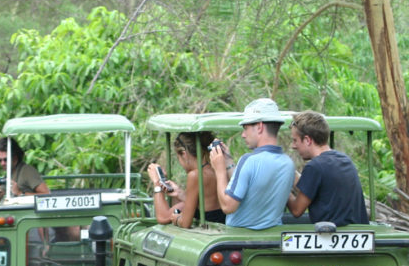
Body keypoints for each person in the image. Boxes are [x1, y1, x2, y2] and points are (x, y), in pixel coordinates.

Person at [209, 97, 295, 229]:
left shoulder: (248, 160)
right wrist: (229, 163)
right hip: (273, 240)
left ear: (259, 126)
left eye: (245, 128)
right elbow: (252, 185)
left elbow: (228, 206)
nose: (243, 135)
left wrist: (219, 170)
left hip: (242, 240)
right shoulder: (288, 163)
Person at [287, 111, 369, 225]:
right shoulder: (344, 160)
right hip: (356, 233)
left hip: (331, 237)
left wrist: (282, 188)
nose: (293, 146)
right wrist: (290, 173)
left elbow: (297, 210)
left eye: (295, 140)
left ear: (307, 140)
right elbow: (313, 187)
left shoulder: (314, 167)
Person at [146, 131, 226, 227]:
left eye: (178, 157)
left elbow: (169, 219)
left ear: (184, 154)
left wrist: (157, 183)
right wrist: (180, 194)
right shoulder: (218, 169)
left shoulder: (196, 175)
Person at [0, 136, 50, 201]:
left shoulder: (27, 171)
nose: (2, 163)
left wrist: (20, 193)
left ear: (15, 158)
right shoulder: (9, 172)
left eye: (6, 160)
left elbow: (46, 195)